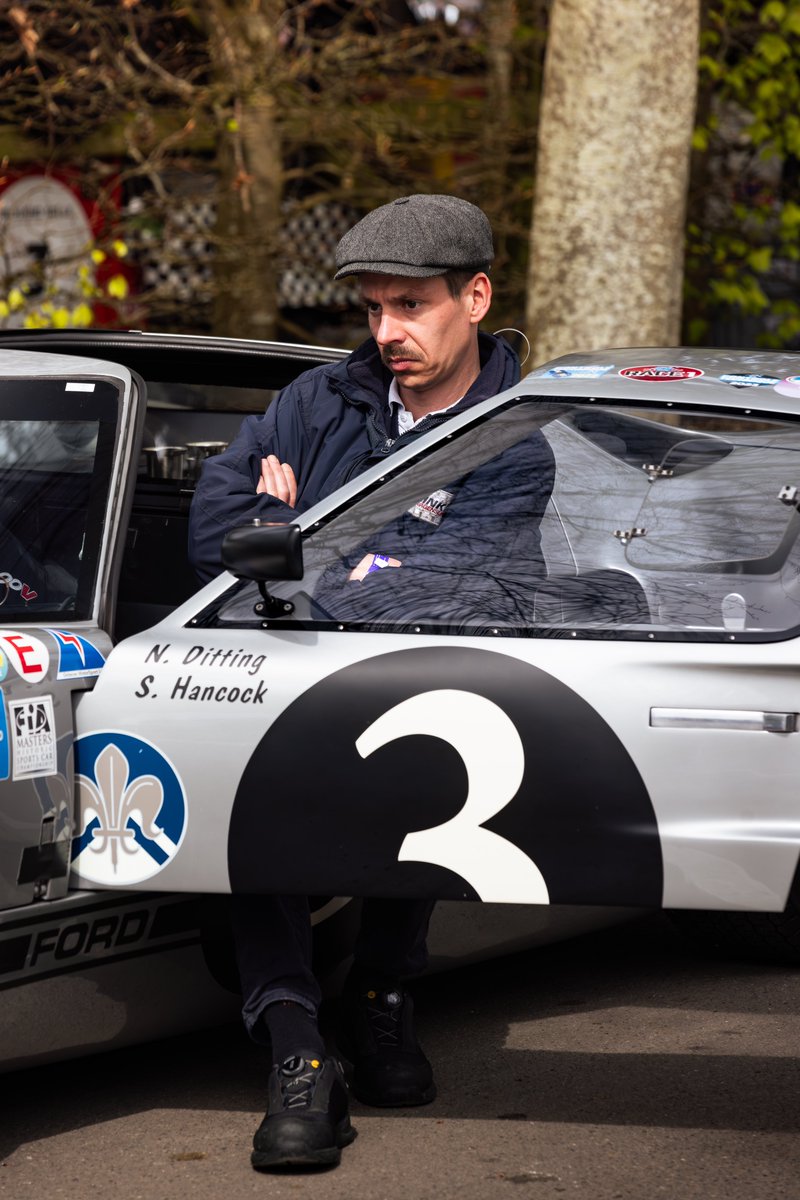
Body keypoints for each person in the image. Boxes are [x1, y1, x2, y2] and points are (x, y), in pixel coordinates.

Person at [188, 194, 551, 1171]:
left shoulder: (515, 443)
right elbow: (212, 520)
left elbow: (445, 592)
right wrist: (349, 564)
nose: (386, 332)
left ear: (473, 297)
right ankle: (296, 1046)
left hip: (428, 692)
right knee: (249, 780)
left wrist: (296, 539)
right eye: (373, 308)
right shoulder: (319, 399)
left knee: (434, 739)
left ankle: (385, 997)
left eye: (411, 306)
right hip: (288, 680)